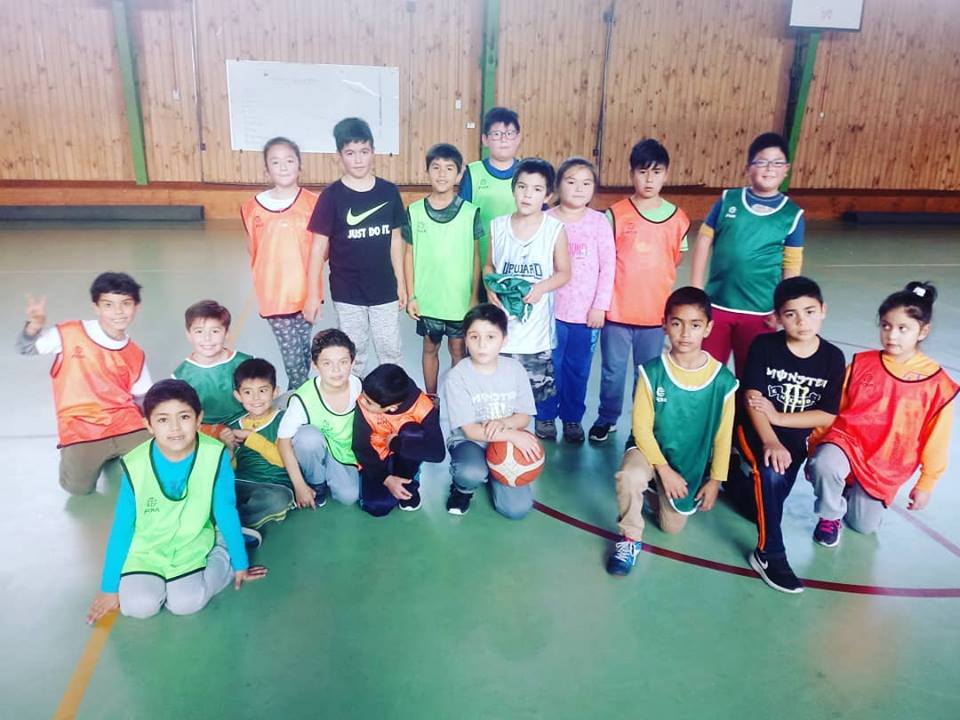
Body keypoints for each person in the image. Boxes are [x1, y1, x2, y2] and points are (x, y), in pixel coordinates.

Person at [85, 380, 267, 624]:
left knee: (186, 603)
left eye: (184, 417)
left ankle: (222, 545)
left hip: (193, 542)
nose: (175, 428)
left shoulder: (215, 455)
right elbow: (123, 526)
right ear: (148, 425)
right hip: (148, 549)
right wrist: (109, 588)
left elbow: (225, 510)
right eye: (162, 420)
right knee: (138, 606)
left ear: (199, 419)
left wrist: (240, 562)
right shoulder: (135, 463)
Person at [806, 282, 957, 547]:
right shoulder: (861, 364)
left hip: (886, 461)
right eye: (886, 326)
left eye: (903, 328)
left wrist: (926, 483)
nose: (892, 336)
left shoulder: (937, 384)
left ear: (923, 331)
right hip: (846, 442)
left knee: (863, 526)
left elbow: (937, 440)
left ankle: (849, 488)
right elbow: (832, 411)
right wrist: (814, 449)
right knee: (825, 464)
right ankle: (829, 516)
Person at [607, 288, 738, 577]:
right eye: (677, 323)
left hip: (687, 462)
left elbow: (723, 436)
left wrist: (716, 479)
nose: (685, 333)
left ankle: (653, 492)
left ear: (708, 328)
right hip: (647, 451)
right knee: (630, 477)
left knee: (671, 527)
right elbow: (641, 429)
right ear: (664, 324)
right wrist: (663, 470)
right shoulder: (652, 371)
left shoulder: (722, 381)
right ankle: (630, 539)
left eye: (695, 325)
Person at [727, 277, 845, 593]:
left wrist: (780, 418)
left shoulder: (833, 357)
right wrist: (770, 439)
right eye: (791, 314)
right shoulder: (765, 346)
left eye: (809, 312)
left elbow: (826, 414)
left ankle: (730, 475)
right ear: (778, 317)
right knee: (771, 474)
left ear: (823, 311)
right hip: (756, 430)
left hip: (793, 439)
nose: (801, 321)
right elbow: (752, 398)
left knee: (760, 508)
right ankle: (769, 555)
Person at [589, 139, 690, 444]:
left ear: (666, 175)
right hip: (617, 312)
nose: (649, 179)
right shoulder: (616, 214)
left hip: (654, 315)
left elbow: (675, 258)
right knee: (612, 371)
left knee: (646, 375)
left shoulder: (678, 218)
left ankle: (640, 427)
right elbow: (604, 261)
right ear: (631, 173)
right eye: (642, 172)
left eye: (656, 172)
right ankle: (607, 418)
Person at [16, 272, 152, 494]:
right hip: (81, 428)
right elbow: (25, 348)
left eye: (126, 304)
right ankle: (75, 455)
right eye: (108, 304)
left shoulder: (136, 353)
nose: (118, 311)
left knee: (157, 468)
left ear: (136, 307)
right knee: (78, 489)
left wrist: (156, 430)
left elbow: (142, 398)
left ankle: (116, 451)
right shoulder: (69, 334)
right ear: (96, 307)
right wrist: (34, 327)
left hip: (126, 424)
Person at [690, 132, 805, 377]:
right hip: (717, 305)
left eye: (777, 162)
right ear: (748, 168)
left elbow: (792, 266)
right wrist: (697, 289)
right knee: (707, 373)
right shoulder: (728, 200)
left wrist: (784, 307)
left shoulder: (792, 215)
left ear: (786, 169)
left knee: (753, 377)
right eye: (762, 162)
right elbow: (704, 239)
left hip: (760, 312)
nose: (769, 168)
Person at [306, 117, 407, 376]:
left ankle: (391, 396)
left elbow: (396, 239)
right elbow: (317, 248)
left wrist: (402, 282)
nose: (359, 159)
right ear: (339, 156)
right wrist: (312, 293)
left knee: (390, 350)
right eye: (350, 153)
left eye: (364, 151)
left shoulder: (388, 192)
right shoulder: (331, 197)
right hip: (347, 291)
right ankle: (354, 396)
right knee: (354, 353)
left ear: (373, 151)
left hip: (384, 289)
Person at [484, 157, 570, 431]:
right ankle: (503, 432)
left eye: (536, 189)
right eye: (522, 187)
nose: (527, 194)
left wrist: (540, 288)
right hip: (503, 329)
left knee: (536, 389)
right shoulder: (498, 226)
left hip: (536, 331)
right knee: (501, 389)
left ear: (548, 195)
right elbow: (489, 265)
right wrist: (489, 287)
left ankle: (540, 423)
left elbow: (564, 273)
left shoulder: (553, 230)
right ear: (513, 189)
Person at [442, 304, 542, 519]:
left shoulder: (515, 369)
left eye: (490, 337)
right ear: (465, 339)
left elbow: (524, 416)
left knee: (516, 510)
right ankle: (462, 488)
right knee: (471, 472)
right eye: (474, 337)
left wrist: (505, 424)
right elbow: (470, 431)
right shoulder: (457, 376)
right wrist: (512, 434)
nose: (482, 344)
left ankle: (494, 473)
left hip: (504, 445)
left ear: (504, 340)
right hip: (470, 442)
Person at [541, 157, 615, 443]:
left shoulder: (598, 222)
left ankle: (572, 418)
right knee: (549, 368)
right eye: (571, 182)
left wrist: (600, 306)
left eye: (586, 183)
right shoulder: (546, 219)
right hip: (550, 313)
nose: (579, 188)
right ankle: (545, 416)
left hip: (585, 316)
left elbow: (608, 267)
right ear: (558, 185)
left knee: (578, 370)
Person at [241, 136, 320, 390]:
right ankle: (298, 397)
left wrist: (313, 292)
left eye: (289, 160)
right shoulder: (252, 208)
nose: (283, 167)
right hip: (275, 297)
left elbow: (322, 250)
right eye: (275, 162)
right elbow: (253, 249)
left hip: (306, 294)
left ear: (299, 165)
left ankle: (300, 394)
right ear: (267, 169)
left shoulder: (314, 204)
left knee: (304, 351)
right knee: (293, 359)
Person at [403, 142, 482, 398]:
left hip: (459, 300)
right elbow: (408, 254)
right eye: (436, 167)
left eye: (449, 168)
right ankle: (431, 399)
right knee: (430, 348)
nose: (442, 174)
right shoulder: (414, 211)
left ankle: (458, 399)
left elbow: (476, 257)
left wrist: (473, 297)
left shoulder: (470, 212)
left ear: (459, 175)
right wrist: (412, 296)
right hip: (428, 300)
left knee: (458, 350)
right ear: (427, 172)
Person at [277, 329, 362, 510]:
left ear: (353, 362)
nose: (336, 370)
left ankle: (331, 472)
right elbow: (283, 442)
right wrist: (299, 486)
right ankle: (316, 483)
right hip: (318, 443)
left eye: (343, 362)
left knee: (349, 497)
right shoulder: (304, 399)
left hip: (346, 451)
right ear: (315, 366)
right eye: (327, 363)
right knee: (307, 438)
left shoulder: (361, 388)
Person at [353, 364, 445, 517]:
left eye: (369, 402)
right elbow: (360, 447)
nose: (361, 401)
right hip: (376, 458)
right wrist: (386, 478)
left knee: (413, 432)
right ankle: (385, 483)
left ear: (392, 408)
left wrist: (395, 444)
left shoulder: (423, 407)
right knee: (377, 506)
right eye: (363, 395)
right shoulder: (365, 399)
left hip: (404, 456)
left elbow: (437, 453)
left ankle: (409, 481)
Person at [223, 358, 297, 530]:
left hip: (273, 486)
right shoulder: (232, 426)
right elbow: (229, 469)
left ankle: (230, 526)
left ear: (275, 392)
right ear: (238, 395)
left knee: (278, 499)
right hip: (240, 483)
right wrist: (229, 451)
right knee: (213, 489)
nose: (256, 398)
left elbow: (283, 460)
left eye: (262, 390)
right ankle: (227, 523)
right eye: (248, 392)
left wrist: (251, 437)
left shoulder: (284, 420)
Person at [172, 300, 251, 438]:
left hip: (247, 423)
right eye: (199, 331)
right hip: (207, 433)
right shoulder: (180, 376)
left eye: (215, 331)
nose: (207, 338)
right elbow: (183, 417)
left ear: (227, 333)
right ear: (189, 334)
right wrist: (214, 432)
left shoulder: (244, 362)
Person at [459, 106, 521, 274]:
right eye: (496, 134)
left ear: (518, 138)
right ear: (485, 140)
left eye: (509, 133)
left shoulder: (528, 172)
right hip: (478, 260)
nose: (503, 139)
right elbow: (462, 219)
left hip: (519, 262)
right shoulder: (473, 172)